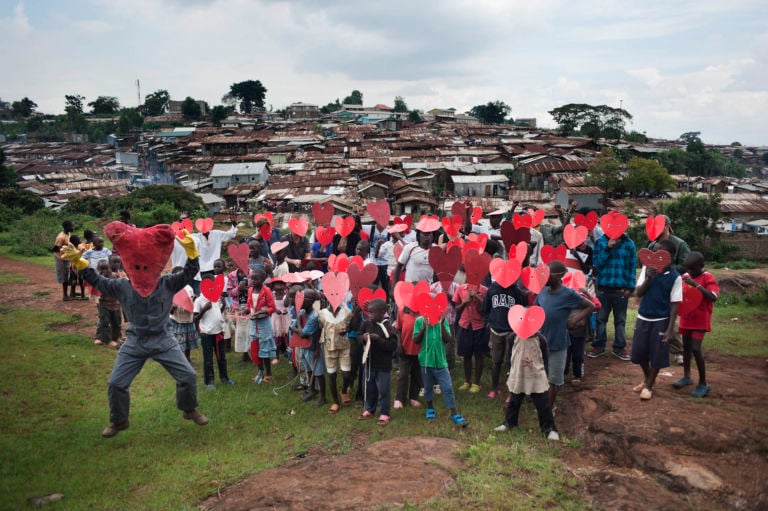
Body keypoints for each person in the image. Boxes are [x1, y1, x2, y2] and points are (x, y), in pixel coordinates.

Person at [60, 226, 208, 438]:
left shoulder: (167, 283)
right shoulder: (122, 286)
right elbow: (97, 281)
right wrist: (80, 263)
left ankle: (188, 409)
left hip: (163, 339)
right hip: (135, 341)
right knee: (116, 383)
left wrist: (192, 254)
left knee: (188, 376)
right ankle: (119, 421)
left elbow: (189, 274)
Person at [535, 261, 595, 407]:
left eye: (548, 274)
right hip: (541, 342)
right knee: (541, 375)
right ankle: (542, 404)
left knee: (553, 379)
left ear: (559, 276)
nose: (544, 277)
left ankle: (548, 410)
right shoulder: (543, 291)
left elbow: (590, 306)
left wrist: (574, 320)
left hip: (558, 343)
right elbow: (536, 309)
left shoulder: (567, 294)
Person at [630, 239, 683, 400]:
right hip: (643, 317)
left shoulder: (675, 277)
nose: (655, 256)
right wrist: (649, 277)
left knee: (657, 355)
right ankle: (647, 379)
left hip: (661, 320)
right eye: (654, 252)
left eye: (661, 253)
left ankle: (649, 386)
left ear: (670, 257)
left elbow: (675, 304)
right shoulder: (647, 269)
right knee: (639, 353)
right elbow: (639, 293)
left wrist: (669, 329)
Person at [413, 298, 469, 427]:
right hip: (426, 361)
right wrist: (423, 328)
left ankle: (454, 413)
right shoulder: (419, 321)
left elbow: (448, 339)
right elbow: (416, 340)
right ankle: (430, 407)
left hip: (441, 362)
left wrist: (442, 323)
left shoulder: (442, 321)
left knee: (447, 387)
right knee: (427, 387)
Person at [494, 331, 559, 441]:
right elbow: (509, 356)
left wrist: (544, 373)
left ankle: (550, 429)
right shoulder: (512, 338)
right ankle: (509, 423)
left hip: (536, 377)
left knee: (543, 405)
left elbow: (545, 357)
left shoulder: (540, 339)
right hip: (519, 375)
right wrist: (511, 371)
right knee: (514, 401)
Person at [673, 251, 719, 398]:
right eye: (688, 269)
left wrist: (696, 285)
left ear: (701, 266)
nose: (690, 272)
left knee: (695, 348)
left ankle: (703, 383)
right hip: (687, 318)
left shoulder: (707, 277)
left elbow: (713, 297)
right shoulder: (685, 277)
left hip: (700, 320)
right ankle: (687, 377)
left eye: (693, 269)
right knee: (686, 348)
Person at [648, 215, 691, 365]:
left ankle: (678, 351)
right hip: (655, 286)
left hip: (673, 285)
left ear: (666, 226)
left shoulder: (680, 244)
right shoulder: (653, 245)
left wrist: (667, 269)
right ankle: (657, 348)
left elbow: (686, 265)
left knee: (673, 320)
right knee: (655, 318)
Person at [589, 228, 637, 360]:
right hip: (603, 289)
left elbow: (632, 267)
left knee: (620, 320)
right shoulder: (600, 242)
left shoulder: (629, 244)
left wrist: (630, 287)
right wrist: (607, 248)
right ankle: (599, 346)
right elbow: (597, 265)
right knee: (600, 319)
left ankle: (619, 347)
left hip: (621, 290)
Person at [481, 274, 529, 399]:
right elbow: (485, 308)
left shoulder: (515, 290)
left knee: (510, 362)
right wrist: (488, 322)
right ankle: (494, 388)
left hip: (511, 331)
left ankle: (510, 391)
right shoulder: (492, 289)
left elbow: (523, 306)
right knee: (496, 361)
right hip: (496, 330)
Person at [194, 267, 236, 390]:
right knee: (208, 359)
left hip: (218, 332)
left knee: (221, 358)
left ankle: (224, 378)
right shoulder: (199, 301)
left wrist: (222, 306)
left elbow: (218, 313)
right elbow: (194, 318)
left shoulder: (216, 297)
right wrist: (203, 309)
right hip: (207, 334)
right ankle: (209, 382)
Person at [358, 299, 397, 425]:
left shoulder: (388, 327)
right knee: (370, 389)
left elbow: (392, 346)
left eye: (372, 313)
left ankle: (384, 413)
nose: (369, 315)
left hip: (383, 365)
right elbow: (358, 336)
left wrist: (379, 340)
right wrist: (363, 338)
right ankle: (370, 409)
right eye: (368, 313)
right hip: (370, 364)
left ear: (381, 312)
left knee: (383, 390)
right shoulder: (366, 324)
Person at [317, 297, 356, 414]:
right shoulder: (322, 313)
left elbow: (351, 326)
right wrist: (316, 346)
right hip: (329, 348)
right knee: (332, 375)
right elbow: (320, 328)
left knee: (346, 374)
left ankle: (344, 391)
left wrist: (347, 330)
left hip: (344, 346)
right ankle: (335, 402)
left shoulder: (347, 312)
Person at [290, 290, 325, 405]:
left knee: (318, 372)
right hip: (304, 346)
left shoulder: (313, 316)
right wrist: (296, 327)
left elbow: (303, 334)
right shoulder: (303, 311)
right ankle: (311, 389)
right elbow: (296, 328)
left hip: (313, 347)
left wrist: (296, 326)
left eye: (302, 299)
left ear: (310, 302)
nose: (299, 301)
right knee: (308, 369)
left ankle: (323, 396)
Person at [453, 281, 488, 394]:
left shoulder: (484, 290)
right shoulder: (461, 289)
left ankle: (476, 383)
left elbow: (485, 309)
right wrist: (465, 302)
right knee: (466, 355)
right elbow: (456, 308)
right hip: (464, 325)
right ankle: (467, 381)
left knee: (478, 355)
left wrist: (477, 297)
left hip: (479, 327)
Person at [247, 268, 277, 384]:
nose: (253, 281)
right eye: (252, 278)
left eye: (256, 279)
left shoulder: (267, 291)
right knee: (255, 347)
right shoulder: (250, 290)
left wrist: (263, 312)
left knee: (265, 347)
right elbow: (249, 305)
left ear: (263, 279)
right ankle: (260, 371)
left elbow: (272, 307)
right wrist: (245, 311)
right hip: (254, 322)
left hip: (264, 322)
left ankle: (268, 373)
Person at [393, 304, 422, 409]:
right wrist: (399, 344)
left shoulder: (423, 311)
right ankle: (399, 398)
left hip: (419, 349)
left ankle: (413, 397)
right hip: (405, 348)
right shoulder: (402, 311)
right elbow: (398, 329)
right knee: (403, 375)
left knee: (417, 374)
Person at [169, 266, 198, 362]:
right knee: (178, 342)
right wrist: (173, 307)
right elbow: (169, 311)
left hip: (188, 319)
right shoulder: (171, 290)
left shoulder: (189, 288)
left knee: (188, 342)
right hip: (177, 320)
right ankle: (180, 360)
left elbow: (192, 302)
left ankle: (187, 358)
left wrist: (194, 299)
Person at [92, 259, 123, 348]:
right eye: (101, 269)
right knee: (104, 321)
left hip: (115, 303)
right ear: (98, 269)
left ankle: (116, 337)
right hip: (104, 304)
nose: (103, 271)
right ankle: (107, 340)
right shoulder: (98, 279)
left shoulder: (115, 276)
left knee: (116, 322)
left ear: (109, 268)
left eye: (105, 269)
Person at [367, 219, 391, 298]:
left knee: (386, 286)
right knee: (373, 286)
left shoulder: (389, 230)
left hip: (385, 263)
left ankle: (387, 303)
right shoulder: (371, 228)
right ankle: (371, 301)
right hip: (373, 262)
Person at [53, 219, 75, 301]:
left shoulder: (68, 233)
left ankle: (72, 293)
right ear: (67, 227)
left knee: (72, 274)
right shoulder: (60, 237)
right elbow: (55, 249)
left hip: (67, 257)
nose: (73, 227)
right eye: (72, 226)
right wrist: (64, 249)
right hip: (61, 259)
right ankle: (65, 296)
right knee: (64, 276)